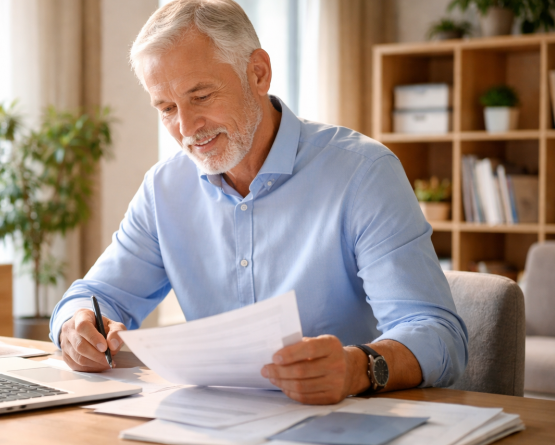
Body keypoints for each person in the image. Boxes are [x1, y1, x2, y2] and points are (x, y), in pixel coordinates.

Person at [50, 0, 467, 405]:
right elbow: (96, 294)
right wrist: (76, 324)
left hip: (340, 423)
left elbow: (437, 333)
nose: (186, 127)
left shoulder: (363, 172)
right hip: (213, 424)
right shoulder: (164, 189)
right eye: (166, 107)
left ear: (259, 73)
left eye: (201, 96)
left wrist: (359, 367)